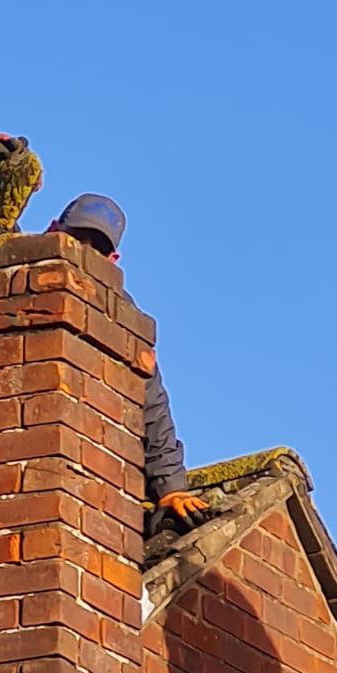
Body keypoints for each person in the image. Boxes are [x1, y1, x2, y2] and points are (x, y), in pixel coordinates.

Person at [49, 194, 211, 529]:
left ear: (113, 260)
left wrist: (170, 489)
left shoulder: (123, 323)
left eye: (96, 249)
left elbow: (151, 406)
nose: (83, 253)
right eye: (75, 238)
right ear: (53, 230)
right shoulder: (19, 273)